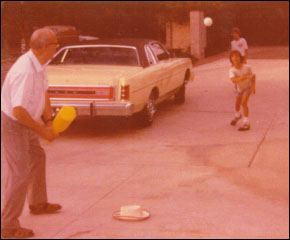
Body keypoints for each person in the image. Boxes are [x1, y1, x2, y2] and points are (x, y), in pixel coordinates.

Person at [1, 28, 61, 239]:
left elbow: (44, 92)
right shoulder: (25, 70)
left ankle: (37, 203)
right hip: (13, 123)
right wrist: (43, 131)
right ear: (44, 47)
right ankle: (7, 226)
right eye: (55, 43)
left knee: (38, 156)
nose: (57, 47)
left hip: (28, 120)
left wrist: (49, 121)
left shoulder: (40, 63)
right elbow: (18, 111)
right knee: (19, 173)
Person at [229, 50, 256, 131]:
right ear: (231, 59)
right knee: (237, 104)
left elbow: (253, 76)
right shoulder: (232, 70)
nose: (235, 58)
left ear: (240, 58)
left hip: (248, 87)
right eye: (233, 56)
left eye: (237, 56)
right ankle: (237, 116)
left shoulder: (247, 67)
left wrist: (253, 87)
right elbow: (233, 80)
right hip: (239, 89)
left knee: (243, 103)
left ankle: (246, 123)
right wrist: (241, 78)